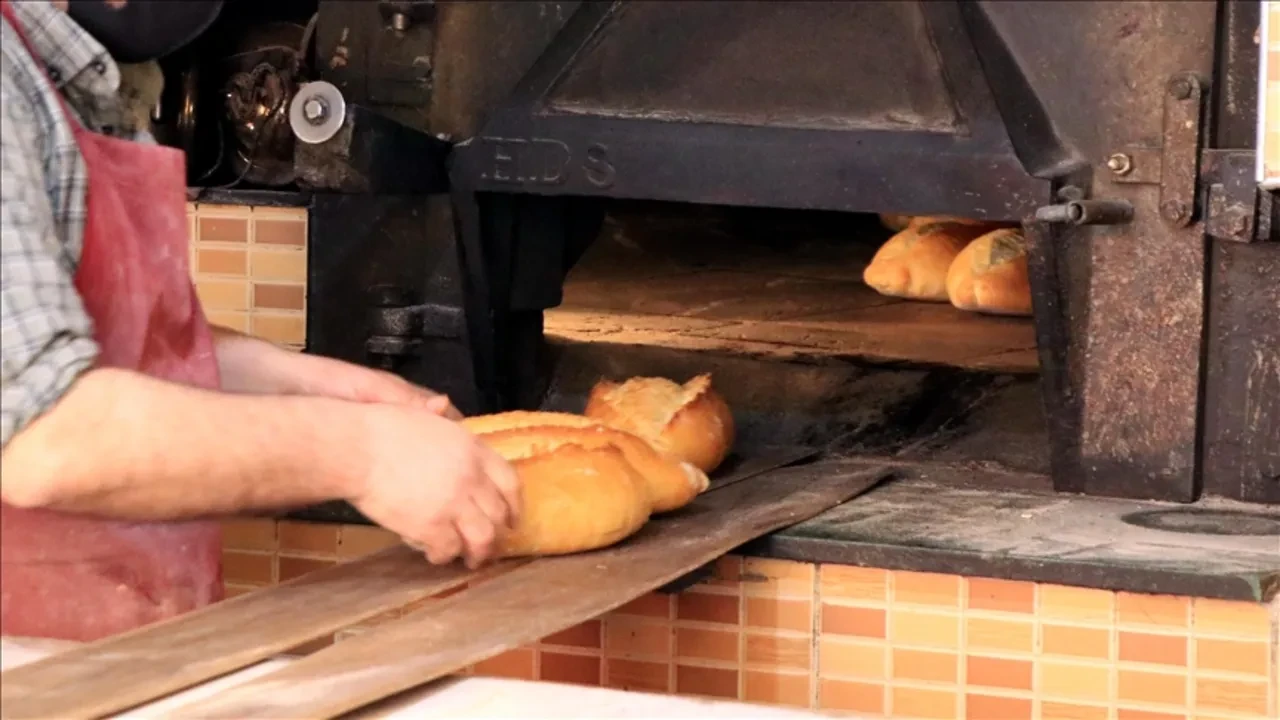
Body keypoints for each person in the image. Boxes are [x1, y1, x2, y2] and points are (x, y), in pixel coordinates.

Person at [0, 0, 520, 639]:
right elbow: (44, 436)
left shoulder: (65, 72)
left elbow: (123, 343)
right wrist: (362, 454)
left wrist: (315, 386)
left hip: (113, 662)